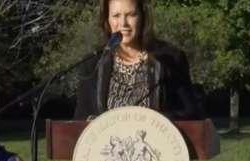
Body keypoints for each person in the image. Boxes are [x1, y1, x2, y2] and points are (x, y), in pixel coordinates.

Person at [74, 0, 203, 120]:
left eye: (131, 15)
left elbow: (191, 114)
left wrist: (154, 121)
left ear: (142, 17)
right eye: (116, 16)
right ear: (107, 21)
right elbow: (79, 123)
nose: (123, 23)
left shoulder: (170, 59)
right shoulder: (92, 65)